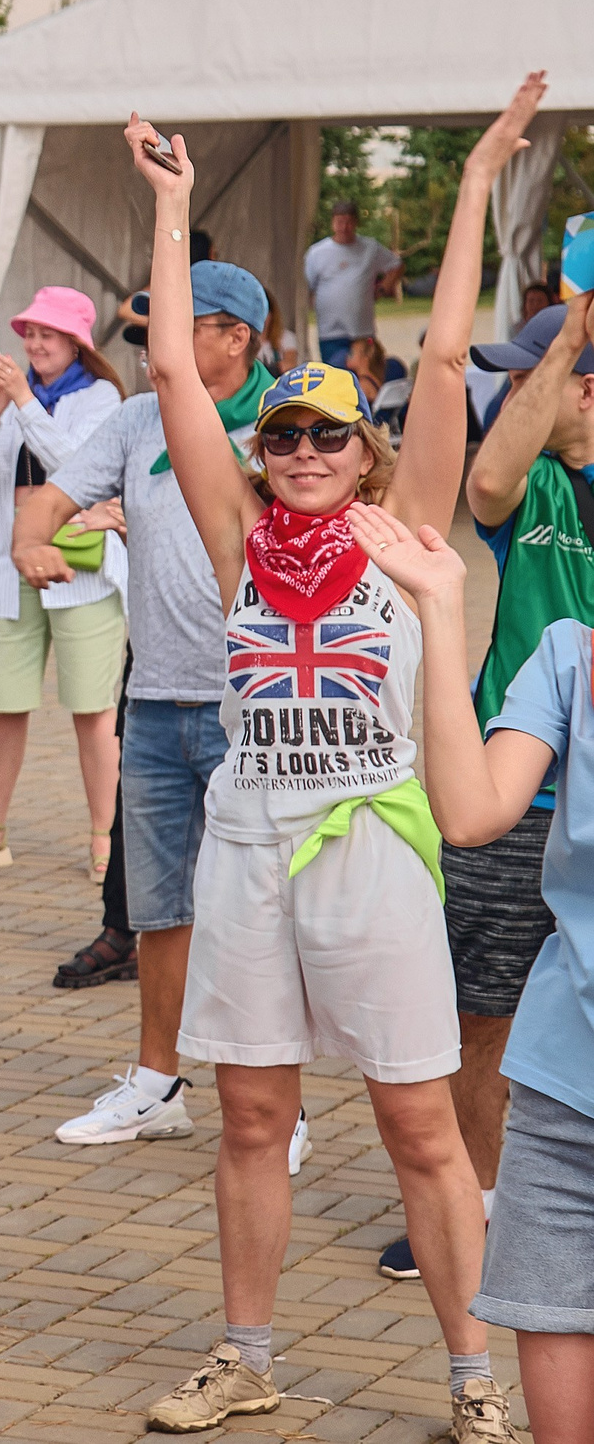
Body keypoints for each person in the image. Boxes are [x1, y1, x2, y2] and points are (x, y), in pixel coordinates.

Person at [129, 82, 538, 1440]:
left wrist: (476, 183)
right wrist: (175, 205)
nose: (305, 448)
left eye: (328, 432)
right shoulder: (240, 536)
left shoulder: (404, 529)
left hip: (370, 840)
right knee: (251, 1112)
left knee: (420, 1121)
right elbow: (180, 372)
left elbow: (435, 369)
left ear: (362, 454)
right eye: (287, 431)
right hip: (249, 840)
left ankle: (475, 1380)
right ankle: (246, 1356)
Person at [366, 196, 584, 1288]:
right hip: (504, 784)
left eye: (533, 373)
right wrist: (567, 331)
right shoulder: (523, 480)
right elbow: (486, 479)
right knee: (481, 1001)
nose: (510, 393)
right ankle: (482, 1199)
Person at [11, 264, 275, 1150]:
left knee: (260, 912)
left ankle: (283, 1104)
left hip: (258, 704)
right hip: (156, 697)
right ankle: (159, 1083)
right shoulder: (134, 421)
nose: (159, 348)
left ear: (235, 335)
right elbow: (51, 497)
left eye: (181, 325)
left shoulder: (291, 425)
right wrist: (28, 539)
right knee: (161, 911)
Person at [353, 500, 594, 1444]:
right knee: (553, 1319)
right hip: (563, 1079)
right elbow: (469, 811)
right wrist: (441, 609)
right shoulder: (569, 655)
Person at [0, 287, 128, 881]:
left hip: (83, 574)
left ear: (77, 342)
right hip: (10, 571)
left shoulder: (100, 397)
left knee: (92, 711)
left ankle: (107, 839)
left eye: (47, 334)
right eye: (28, 332)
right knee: (5, 706)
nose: (34, 343)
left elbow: (79, 467)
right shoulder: (12, 399)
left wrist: (23, 401)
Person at [303, 199, 405, 370]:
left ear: (356, 223)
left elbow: (396, 265)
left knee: (367, 373)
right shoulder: (317, 253)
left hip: (362, 331)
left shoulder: (370, 248)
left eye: (349, 222)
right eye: (340, 222)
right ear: (332, 223)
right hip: (330, 332)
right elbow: (307, 287)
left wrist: (382, 288)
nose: (344, 227)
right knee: (335, 374)